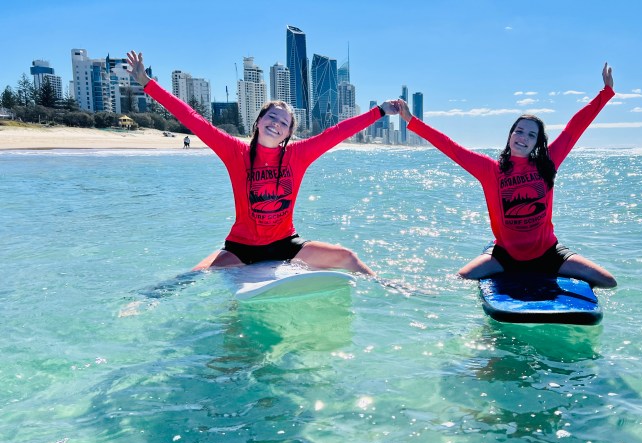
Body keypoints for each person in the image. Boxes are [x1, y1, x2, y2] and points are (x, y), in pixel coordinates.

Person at [126, 51, 399, 275]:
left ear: (288, 133)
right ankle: (149, 302)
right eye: (271, 117)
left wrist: (379, 111)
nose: (276, 124)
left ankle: (390, 291)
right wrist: (147, 83)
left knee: (348, 258)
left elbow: (337, 132)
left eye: (283, 123)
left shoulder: (298, 155)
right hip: (241, 248)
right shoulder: (235, 152)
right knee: (192, 276)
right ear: (258, 122)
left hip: (285, 244)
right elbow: (193, 119)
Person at [398, 63, 617, 288]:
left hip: (548, 254)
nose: (523, 137)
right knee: (459, 280)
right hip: (504, 256)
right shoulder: (490, 170)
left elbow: (575, 128)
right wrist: (411, 121)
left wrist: (606, 92)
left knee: (608, 281)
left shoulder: (547, 163)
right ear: (511, 135)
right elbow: (450, 147)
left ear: (537, 143)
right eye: (519, 131)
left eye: (531, 134)